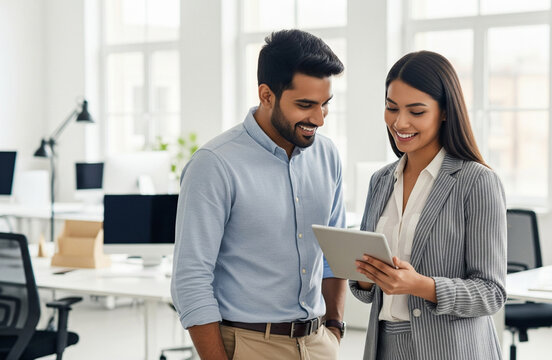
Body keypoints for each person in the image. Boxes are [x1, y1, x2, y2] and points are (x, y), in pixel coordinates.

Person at [171, 29, 347, 360]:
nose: (319, 118)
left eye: (325, 105)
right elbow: (190, 279)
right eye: (306, 105)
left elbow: (333, 252)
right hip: (249, 344)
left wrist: (335, 327)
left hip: (318, 342)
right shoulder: (215, 164)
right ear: (267, 95)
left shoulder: (328, 155)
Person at [349, 50, 507, 360]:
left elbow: (491, 292)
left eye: (416, 111)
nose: (400, 122)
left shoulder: (476, 182)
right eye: (391, 108)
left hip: (450, 350)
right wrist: (366, 277)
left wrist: (421, 285)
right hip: (385, 348)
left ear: (445, 112)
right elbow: (366, 293)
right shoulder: (380, 181)